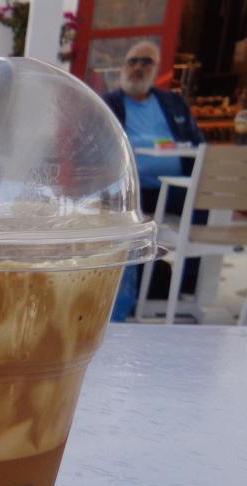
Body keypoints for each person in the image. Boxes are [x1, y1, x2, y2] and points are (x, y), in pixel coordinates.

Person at [102, 41, 205, 321]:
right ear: (123, 67)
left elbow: (197, 142)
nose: (138, 67)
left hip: (176, 186)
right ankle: (130, 292)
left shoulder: (173, 103)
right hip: (135, 188)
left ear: (156, 68)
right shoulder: (111, 103)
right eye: (132, 61)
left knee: (203, 208)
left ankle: (187, 287)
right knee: (128, 219)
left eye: (146, 61)